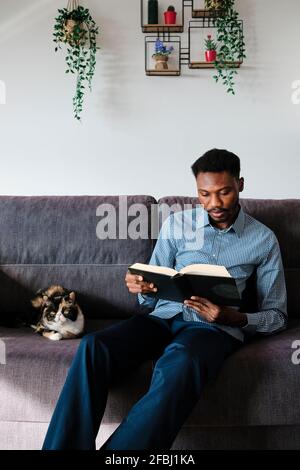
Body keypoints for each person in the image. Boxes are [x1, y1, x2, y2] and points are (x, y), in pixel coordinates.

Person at [42, 148, 287, 450]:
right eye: (204, 194)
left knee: (181, 361)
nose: (214, 203)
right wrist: (144, 288)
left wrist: (233, 318)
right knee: (94, 347)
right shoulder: (177, 225)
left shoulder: (263, 239)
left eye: (224, 192)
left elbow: (277, 315)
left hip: (212, 329)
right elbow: (153, 290)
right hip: (162, 318)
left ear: (241, 184)